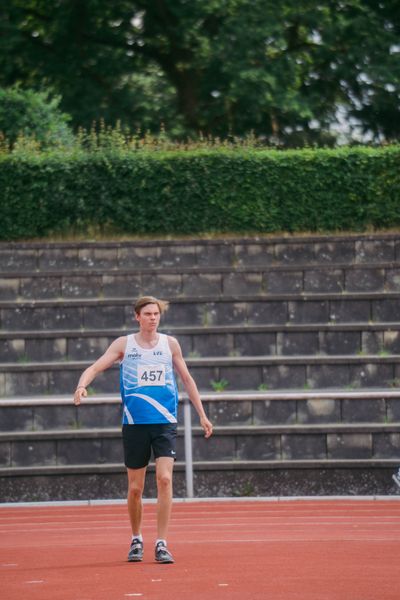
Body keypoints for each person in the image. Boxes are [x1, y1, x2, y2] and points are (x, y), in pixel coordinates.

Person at [73, 295, 213, 564]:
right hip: (135, 424)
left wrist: (202, 415)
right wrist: (82, 385)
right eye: (147, 314)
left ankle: (162, 543)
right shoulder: (124, 344)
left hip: (164, 422)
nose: (152, 318)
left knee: (164, 479)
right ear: (137, 317)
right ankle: (136, 538)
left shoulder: (169, 344)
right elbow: (96, 366)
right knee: (135, 488)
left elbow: (187, 378)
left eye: (156, 314)